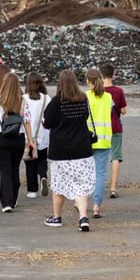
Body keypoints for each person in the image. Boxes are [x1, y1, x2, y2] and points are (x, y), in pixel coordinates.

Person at [41, 69, 96, 232]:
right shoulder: (83, 99)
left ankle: (57, 217)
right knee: (80, 185)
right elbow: (85, 117)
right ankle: (83, 217)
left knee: (58, 185)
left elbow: (46, 123)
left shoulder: (57, 102)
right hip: (82, 149)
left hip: (61, 151)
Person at [0, 72, 36, 212]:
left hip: (1, 137)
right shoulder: (22, 101)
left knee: (5, 170)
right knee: (15, 169)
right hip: (17, 139)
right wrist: (30, 140)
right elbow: (27, 121)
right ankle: (13, 199)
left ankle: (6, 202)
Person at [85, 68, 113, 219]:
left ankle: (81, 201)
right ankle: (96, 206)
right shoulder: (108, 97)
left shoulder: (85, 96)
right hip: (104, 139)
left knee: (85, 173)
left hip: (87, 140)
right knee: (100, 174)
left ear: (88, 81)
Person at [100, 62, 127, 198]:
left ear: (100, 76)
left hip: (100, 129)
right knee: (115, 157)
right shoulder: (118, 91)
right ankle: (113, 187)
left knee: (98, 157)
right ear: (113, 75)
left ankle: (96, 185)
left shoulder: (96, 91)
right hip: (115, 127)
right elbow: (123, 110)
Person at [23, 72, 50, 199]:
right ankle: (43, 176)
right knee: (42, 159)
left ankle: (32, 190)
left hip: (28, 135)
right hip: (43, 134)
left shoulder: (24, 99)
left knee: (30, 163)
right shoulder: (46, 98)